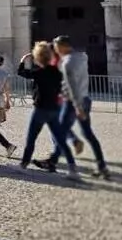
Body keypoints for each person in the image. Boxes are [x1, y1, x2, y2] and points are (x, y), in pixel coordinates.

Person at [34, 36, 110, 179]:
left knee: (59, 131)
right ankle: (102, 167)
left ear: (62, 46)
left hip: (72, 102)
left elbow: (72, 86)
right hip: (85, 98)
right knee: (88, 134)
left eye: (56, 47)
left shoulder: (67, 63)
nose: (55, 50)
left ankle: (62, 165)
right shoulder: (82, 57)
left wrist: (77, 107)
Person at [16, 42, 79, 179]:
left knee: (31, 138)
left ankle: (24, 164)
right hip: (54, 109)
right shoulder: (57, 72)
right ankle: (73, 169)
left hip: (40, 109)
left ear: (38, 57)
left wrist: (22, 61)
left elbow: (21, 72)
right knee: (60, 140)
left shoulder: (38, 72)